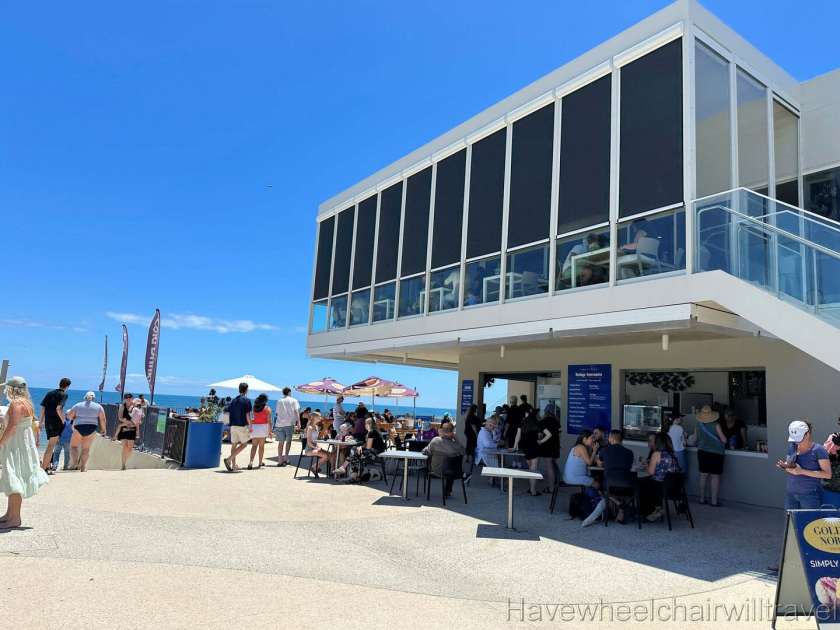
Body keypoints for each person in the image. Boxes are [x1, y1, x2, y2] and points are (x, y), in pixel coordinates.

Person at [0, 376, 48, 529]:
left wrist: (0, 442)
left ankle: (15, 518)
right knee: (15, 477)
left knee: (13, 478)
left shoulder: (16, 404)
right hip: (24, 445)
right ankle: (10, 514)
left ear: (11, 389)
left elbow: (12, 427)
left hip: (15, 446)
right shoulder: (27, 403)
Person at [777, 420, 831, 509]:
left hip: (810, 496)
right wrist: (786, 466)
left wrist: (801, 471)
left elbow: (827, 474)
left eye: (799, 438)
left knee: (809, 519)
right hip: (790, 494)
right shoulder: (792, 447)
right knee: (791, 519)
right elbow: (791, 465)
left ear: (807, 434)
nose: (796, 442)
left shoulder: (819, 450)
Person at [640, 432, 681, 521]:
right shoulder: (672, 455)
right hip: (674, 488)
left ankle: (646, 512)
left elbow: (650, 472)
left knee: (640, 483)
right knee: (645, 481)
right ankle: (657, 508)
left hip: (660, 487)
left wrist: (646, 464)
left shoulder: (656, 454)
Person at [694, 404, 726, 506]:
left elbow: (695, 439)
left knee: (703, 476)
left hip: (702, 452)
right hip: (716, 453)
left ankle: (701, 499)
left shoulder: (698, 425)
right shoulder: (716, 425)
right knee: (715, 477)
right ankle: (714, 502)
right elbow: (723, 440)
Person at [422, 422, 465, 496]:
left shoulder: (435, 441)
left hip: (437, 470)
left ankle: (447, 490)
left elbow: (425, 451)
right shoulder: (455, 445)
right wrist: (456, 439)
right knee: (451, 465)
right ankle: (448, 491)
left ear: (442, 431)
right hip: (455, 472)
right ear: (452, 432)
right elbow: (463, 451)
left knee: (440, 462)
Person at [67, 391, 106, 472]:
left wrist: (74, 418)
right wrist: (103, 429)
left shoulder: (78, 405)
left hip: (79, 427)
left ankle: (75, 463)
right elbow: (102, 419)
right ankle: (83, 467)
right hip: (91, 427)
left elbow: (69, 416)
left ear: (85, 397)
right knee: (86, 449)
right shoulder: (98, 407)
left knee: (73, 446)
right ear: (94, 398)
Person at [39, 377, 71, 474]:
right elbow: (58, 408)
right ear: (67, 386)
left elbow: (43, 408)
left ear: (59, 384)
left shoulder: (50, 393)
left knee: (50, 445)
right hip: (56, 422)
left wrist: (41, 421)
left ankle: (46, 467)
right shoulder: (64, 394)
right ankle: (43, 469)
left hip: (48, 421)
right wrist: (63, 420)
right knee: (51, 446)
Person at [223, 383, 252, 472]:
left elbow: (229, 412)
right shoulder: (247, 400)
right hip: (242, 425)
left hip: (233, 425)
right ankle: (229, 459)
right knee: (244, 444)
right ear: (246, 390)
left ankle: (233, 465)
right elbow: (247, 415)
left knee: (234, 445)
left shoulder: (233, 400)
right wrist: (250, 425)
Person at [273, 387, 299, 467]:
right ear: (289, 392)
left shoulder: (279, 401)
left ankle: (280, 460)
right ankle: (286, 458)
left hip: (279, 424)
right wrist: (299, 422)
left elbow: (277, 413)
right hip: (289, 423)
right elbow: (297, 412)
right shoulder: (294, 400)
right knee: (288, 441)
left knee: (281, 442)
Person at [518, 410, 542, 496]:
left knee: (530, 468)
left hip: (525, 448)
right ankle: (533, 490)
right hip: (534, 447)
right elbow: (539, 436)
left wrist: (515, 446)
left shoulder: (523, 422)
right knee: (533, 469)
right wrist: (541, 440)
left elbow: (519, 435)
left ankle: (531, 488)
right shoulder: (537, 423)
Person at [114, 396, 143, 470]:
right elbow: (121, 417)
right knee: (125, 447)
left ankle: (124, 461)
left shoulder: (139, 409)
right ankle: (123, 464)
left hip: (132, 428)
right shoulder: (124, 406)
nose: (129, 399)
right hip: (125, 427)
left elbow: (139, 421)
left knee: (130, 448)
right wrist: (126, 420)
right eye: (127, 398)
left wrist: (137, 429)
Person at [538, 411, 562, 491]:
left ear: (545, 413)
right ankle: (556, 483)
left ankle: (551, 488)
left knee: (549, 467)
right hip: (555, 446)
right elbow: (559, 434)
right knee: (554, 466)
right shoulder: (556, 421)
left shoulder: (543, 422)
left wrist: (540, 441)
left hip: (547, 447)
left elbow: (541, 435)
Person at [247, 394, 271, 469]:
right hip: (263, 428)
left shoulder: (254, 408)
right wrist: (270, 431)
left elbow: (251, 419)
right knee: (261, 446)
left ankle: (251, 462)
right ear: (265, 400)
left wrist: (250, 427)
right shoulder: (267, 409)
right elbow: (269, 421)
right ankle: (260, 462)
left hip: (254, 428)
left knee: (254, 446)